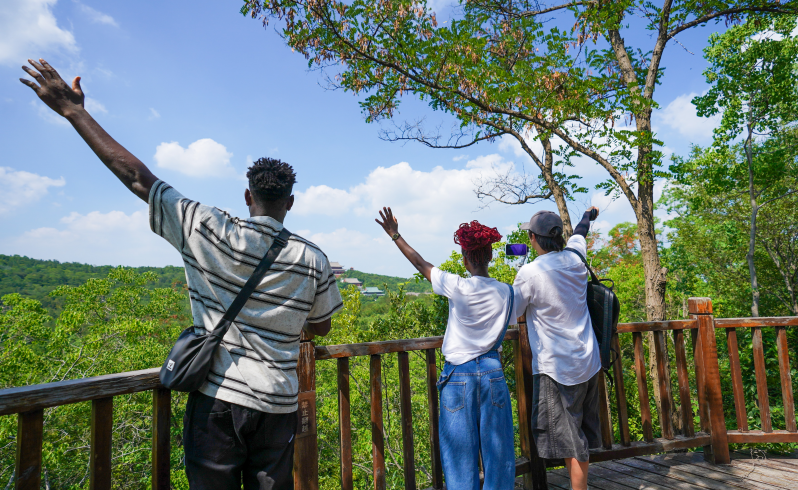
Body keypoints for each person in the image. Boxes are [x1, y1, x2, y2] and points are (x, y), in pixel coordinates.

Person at [20, 59, 344, 490]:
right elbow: (320, 326)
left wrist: (74, 112)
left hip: (218, 398)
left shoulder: (206, 227)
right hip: (278, 403)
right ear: (290, 202)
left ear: (247, 196)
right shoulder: (313, 257)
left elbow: (138, 179)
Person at [375, 208, 518, 490]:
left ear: (465, 258)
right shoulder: (507, 292)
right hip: (493, 373)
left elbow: (420, 263)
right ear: (490, 255)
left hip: (459, 377)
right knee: (499, 454)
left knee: (459, 457)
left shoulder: (457, 286)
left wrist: (395, 235)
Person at [513, 207, 601, 490]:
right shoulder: (575, 257)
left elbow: (513, 313)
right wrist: (588, 215)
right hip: (588, 361)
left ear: (532, 238)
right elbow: (581, 232)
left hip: (557, 369)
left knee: (571, 441)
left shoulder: (530, 273)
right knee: (574, 436)